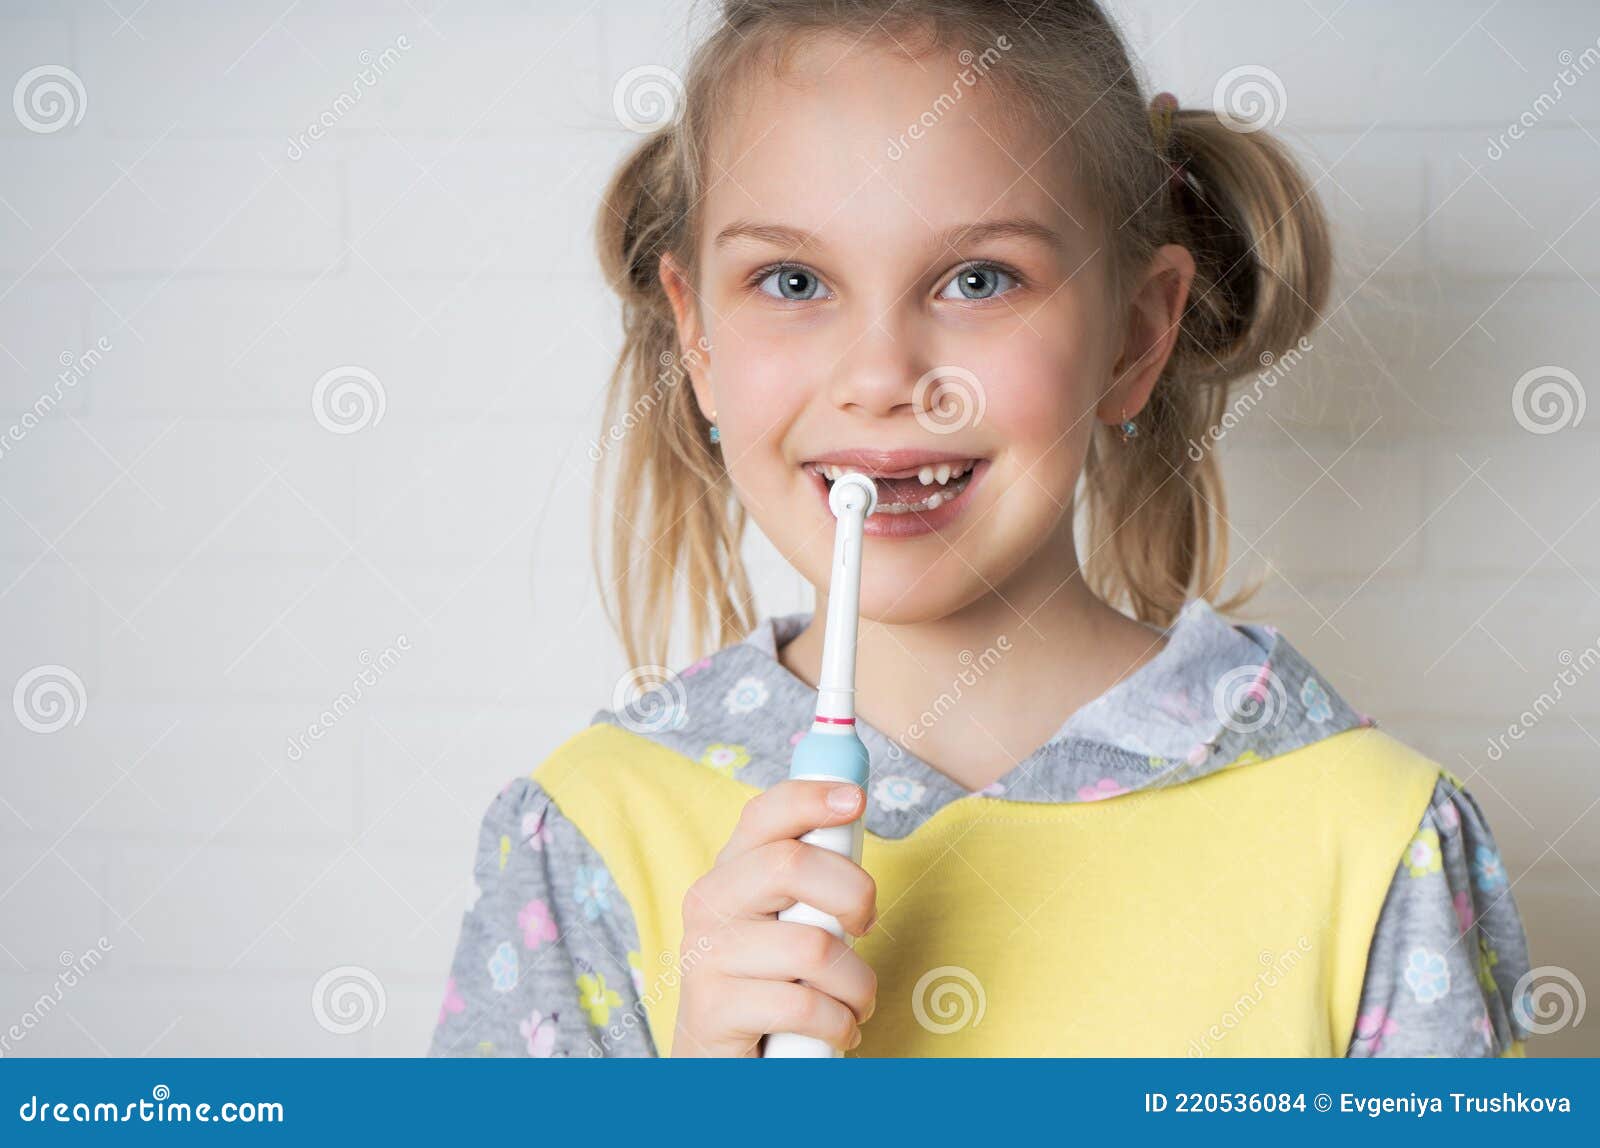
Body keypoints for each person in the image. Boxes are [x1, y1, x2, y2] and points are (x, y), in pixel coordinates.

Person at [430, 0, 1533, 1058]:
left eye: (976, 277)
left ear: (1133, 335)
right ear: (700, 340)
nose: (880, 376)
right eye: (792, 278)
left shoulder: (1371, 839)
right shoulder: (581, 838)